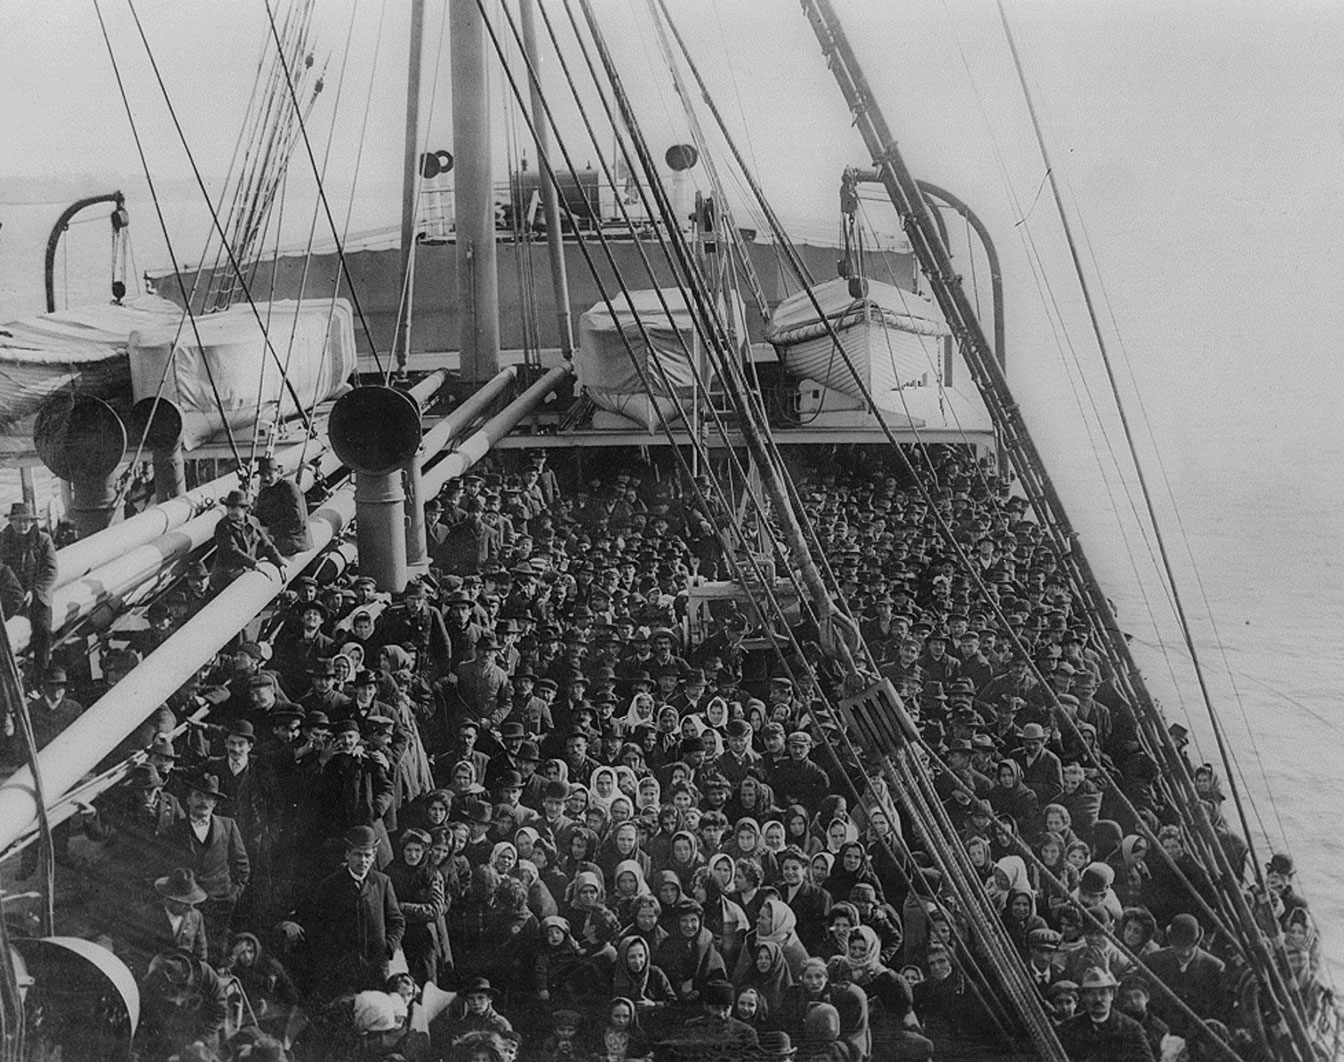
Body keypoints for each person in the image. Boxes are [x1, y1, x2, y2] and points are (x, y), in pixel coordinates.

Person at [280, 824, 406, 999]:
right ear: (347, 855)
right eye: (357, 854)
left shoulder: (382, 883)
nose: (362, 860)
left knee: (376, 1010)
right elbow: (318, 926)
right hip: (342, 968)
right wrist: (333, 959)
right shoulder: (330, 885)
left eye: (367, 855)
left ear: (373, 856)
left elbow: (397, 921)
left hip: (376, 965)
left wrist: (388, 948)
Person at [0, 502, 57, 675]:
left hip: (38, 596)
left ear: (33, 522)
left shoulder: (43, 540)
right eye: (18, 521)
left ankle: (40, 674)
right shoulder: (3, 541)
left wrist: (34, 590)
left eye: (26, 521)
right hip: (11, 596)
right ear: (11, 521)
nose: (22, 525)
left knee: (43, 632)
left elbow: (51, 570)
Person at [1055, 967, 1154, 1062]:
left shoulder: (1131, 1029)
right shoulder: (1068, 1028)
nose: (1098, 999)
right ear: (1084, 997)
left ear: (1111, 995)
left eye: (1103, 993)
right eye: (1092, 994)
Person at [209, 489, 284, 591]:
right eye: (228, 508)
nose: (229, 511)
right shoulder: (223, 526)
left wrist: (280, 564)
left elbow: (266, 544)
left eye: (233, 508)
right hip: (226, 577)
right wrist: (254, 564)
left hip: (246, 570)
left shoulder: (254, 522)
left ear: (244, 509)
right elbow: (232, 550)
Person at [254, 454, 313, 555]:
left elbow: (296, 518)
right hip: (277, 537)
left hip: (295, 540)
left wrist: (269, 530)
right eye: (263, 475)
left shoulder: (289, 488)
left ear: (279, 473)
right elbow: (259, 518)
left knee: (259, 551)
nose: (266, 478)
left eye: (270, 474)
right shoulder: (264, 493)